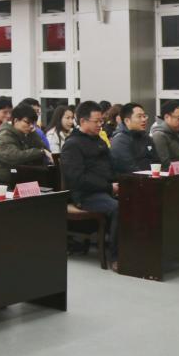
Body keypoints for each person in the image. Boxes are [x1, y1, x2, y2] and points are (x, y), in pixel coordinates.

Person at [60, 101, 118, 264]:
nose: (101, 125)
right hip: (85, 195)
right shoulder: (72, 145)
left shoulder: (99, 140)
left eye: (102, 121)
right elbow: (78, 179)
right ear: (83, 121)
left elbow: (111, 167)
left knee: (136, 200)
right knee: (117, 208)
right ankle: (116, 257)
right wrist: (109, 187)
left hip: (106, 189)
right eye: (97, 121)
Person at [0, 102, 50, 187]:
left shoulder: (26, 133)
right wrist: (40, 152)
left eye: (33, 123)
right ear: (16, 120)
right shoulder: (4, 136)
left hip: (21, 180)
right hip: (2, 184)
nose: (31, 126)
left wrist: (33, 134)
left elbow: (46, 151)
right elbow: (15, 157)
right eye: (28, 122)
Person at [110, 103, 157, 175]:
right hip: (133, 180)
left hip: (152, 178)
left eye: (144, 116)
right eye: (139, 116)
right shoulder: (120, 141)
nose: (144, 119)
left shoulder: (146, 138)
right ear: (127, 121)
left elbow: (157, 162)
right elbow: (130, 169)